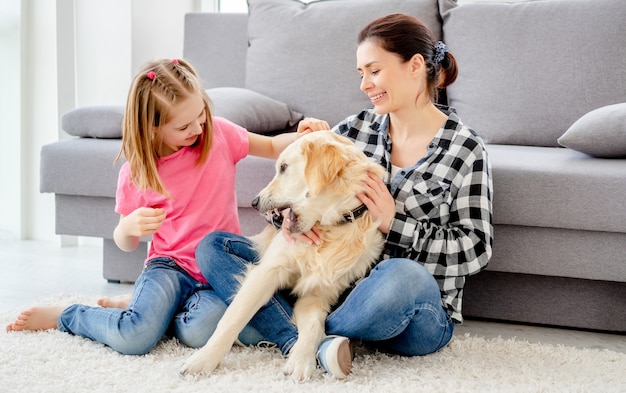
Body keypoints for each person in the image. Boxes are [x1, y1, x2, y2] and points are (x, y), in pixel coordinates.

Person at [195, 13, 493, 379]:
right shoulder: (354, 129)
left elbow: (477, 248)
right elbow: (298, 188)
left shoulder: (465, 148)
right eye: (361, 74)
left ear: (415, 66)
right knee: (213, 247)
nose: (366, 84)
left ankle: (285, 326)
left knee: (401, 274)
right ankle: (306, 339)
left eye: (374, 70)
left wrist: (394, 223)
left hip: (412, 308)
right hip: (336, 286)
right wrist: (291, 223)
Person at [5, 58, 307, 355]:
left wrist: (307, 136)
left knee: (203, 329)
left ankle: (148, 310)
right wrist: (127, 227)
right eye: (184, 125)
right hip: (168, 266)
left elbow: (269, 147)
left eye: (200, 115)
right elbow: (126, 242)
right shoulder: (137, 173)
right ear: (152, 129)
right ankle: (67, 315)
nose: (198, 128)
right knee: (133, 338)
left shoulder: (218, 135)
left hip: (214, 271)